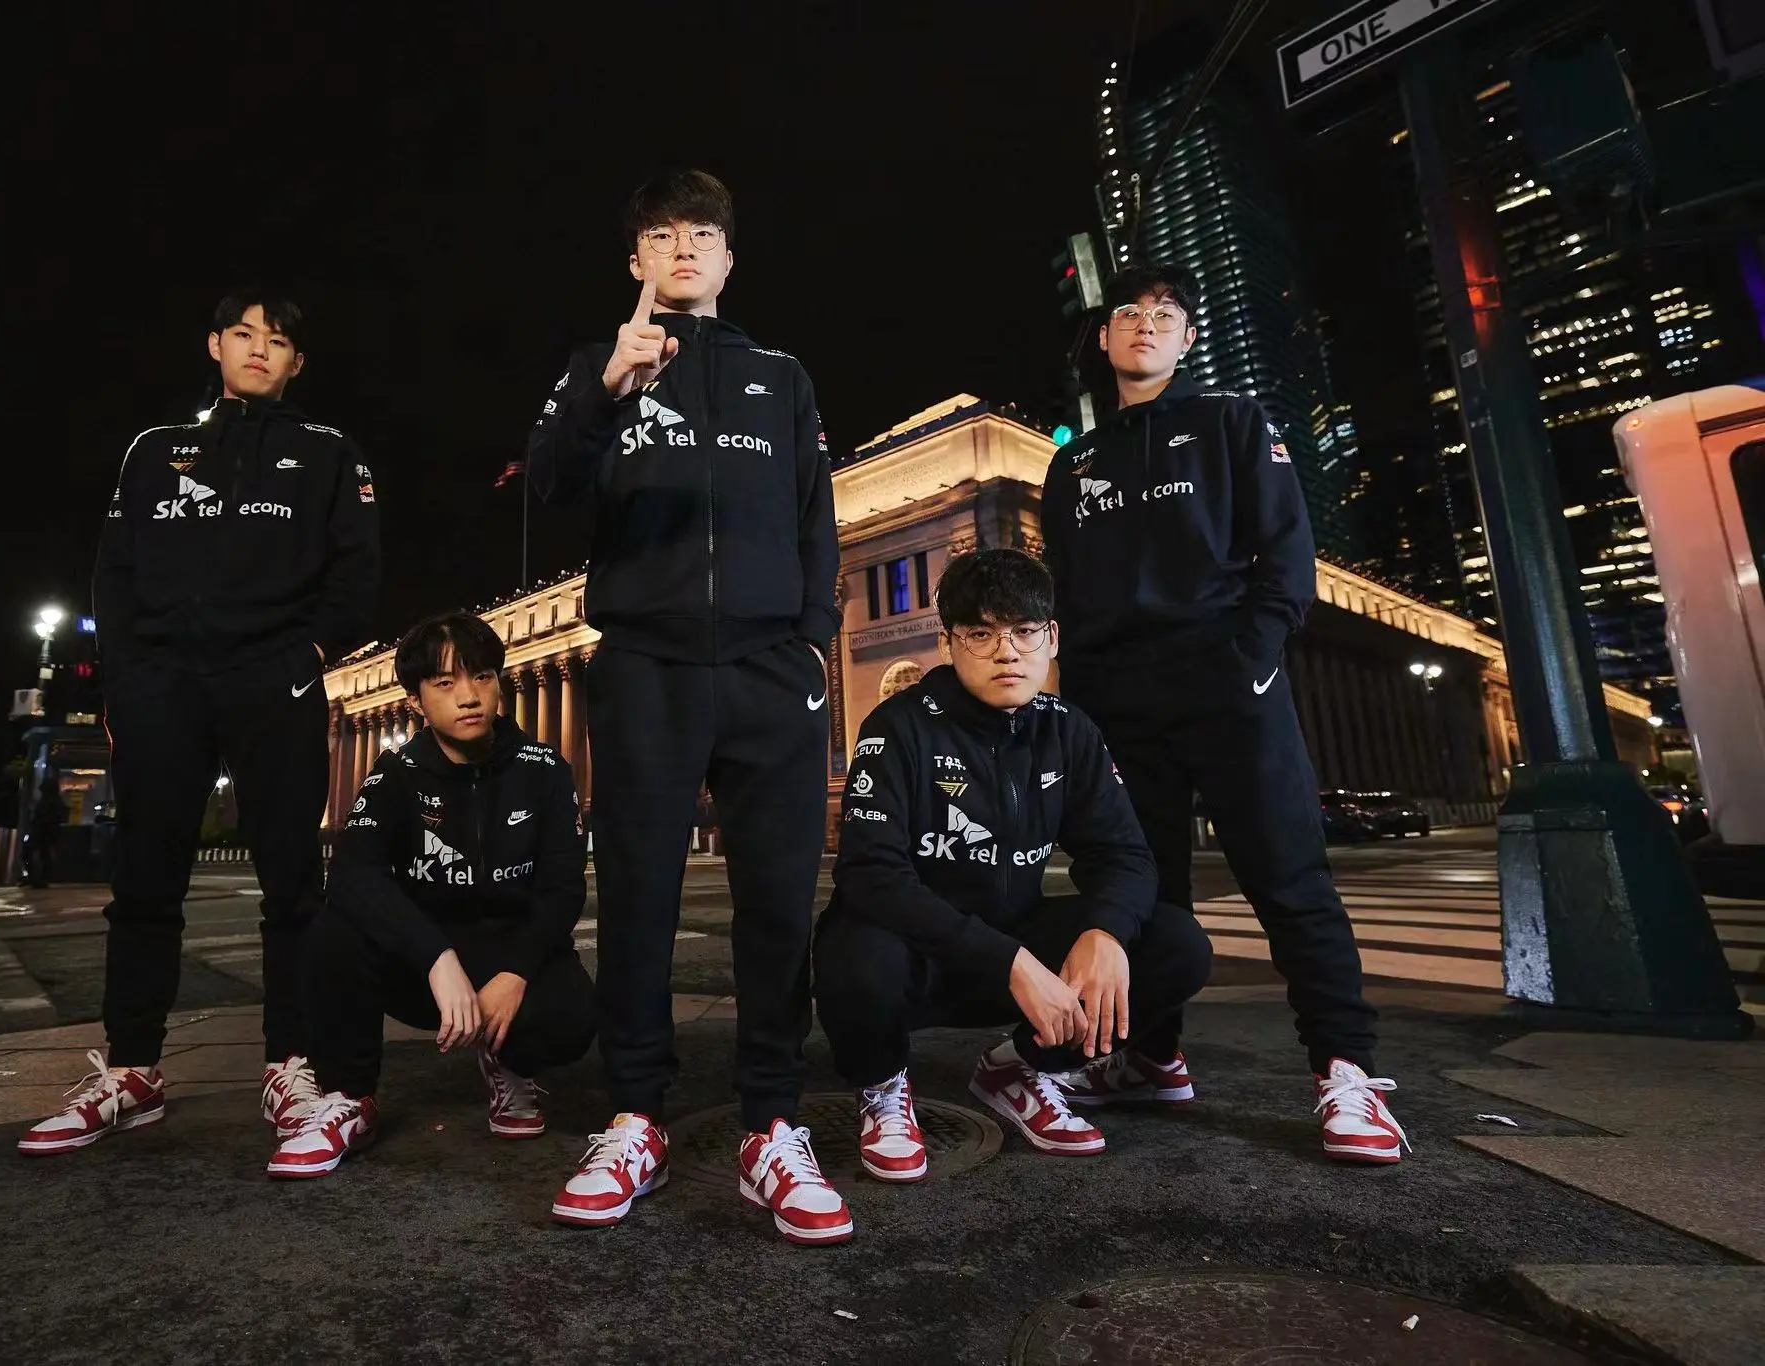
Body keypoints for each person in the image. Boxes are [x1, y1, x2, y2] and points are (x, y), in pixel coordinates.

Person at [527, 169, 848, 1242]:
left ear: (726, 257)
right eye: (661, 235)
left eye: (701, 233)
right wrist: (604, 389)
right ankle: (633, 1116)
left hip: (767, 669)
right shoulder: (599, 365)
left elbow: (815, 517)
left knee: (776, 898)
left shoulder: (780, 376)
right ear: (635, 260)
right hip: (646, 666)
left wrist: (809, 640)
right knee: (637, 897)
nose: (682, 249)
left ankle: (772, 1123)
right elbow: (545, 487)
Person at [1040, 263, 1407, 1164]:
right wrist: (1081, 699)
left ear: (1188, 339)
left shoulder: (1230, 421)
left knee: (1288, 877)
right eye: (1129, 313)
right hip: (1120, 703)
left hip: (1225, 684)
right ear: (1102, 338)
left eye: (1165, 315)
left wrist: (1250, 663)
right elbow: (1069, 595)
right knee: (1142, 888)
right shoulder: (1072, 462)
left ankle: (1346, 1072)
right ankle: (1150, 1055)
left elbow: (1287, 555)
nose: (1146, 324)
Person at [20, 289, 382, 1157]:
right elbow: (115, 571)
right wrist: (130, 678)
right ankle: (133, 1068)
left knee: (292, 882)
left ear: (297, 362)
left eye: (278, 340)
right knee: (146, 882)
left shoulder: (329, 451)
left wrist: (307, 655)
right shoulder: (155, 450)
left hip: (274, 681)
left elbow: (359, 570)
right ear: (215, 344)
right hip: (165, 688)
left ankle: (291, 1060)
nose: (260, 349)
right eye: (244, 334)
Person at [816, 549, 1213, 1183]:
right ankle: (883, 1085)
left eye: (1025, 631)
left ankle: (1024, 1069)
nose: (1007, 653)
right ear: (948, 644)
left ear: (1051, 638)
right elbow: (870, 874)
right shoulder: (899, 727)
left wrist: (1105, 932)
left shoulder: (1068, 731)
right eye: (981, 634)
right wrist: (1010, 961)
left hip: (1015, 942)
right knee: (853, 948)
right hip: (920, 957)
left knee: (1175, 943)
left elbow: (1124, 855)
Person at [265, 612, 595, 1178]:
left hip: (504, 963)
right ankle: (349, 1097)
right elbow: (352, 875)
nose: (469, 697)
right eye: (445, 683)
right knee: (335, 927)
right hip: (425, 970)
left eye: (482, 677)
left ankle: (510, 1062)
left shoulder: (543, 771)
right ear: (415, 700)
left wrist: (516, 972)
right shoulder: (396, 774)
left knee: (571, 1016)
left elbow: (562, 889)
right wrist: (436, 957)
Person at [24, 777, 65, 888]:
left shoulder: (48, 802)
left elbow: (41, 818)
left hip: (42, 833)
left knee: (36, 854)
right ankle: (40, 878)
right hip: (46, 834)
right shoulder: (55, 801)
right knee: (43, 855)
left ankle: (37, 878)